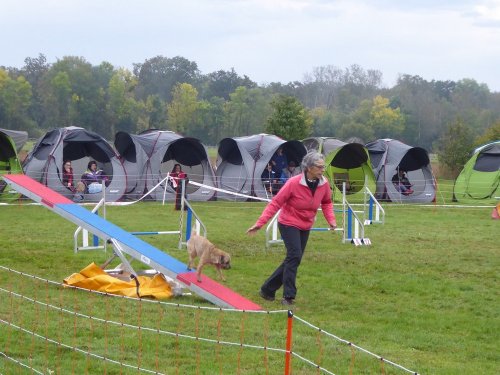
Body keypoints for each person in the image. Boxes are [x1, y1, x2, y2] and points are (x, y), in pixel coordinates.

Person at [246, 151, 337, 306]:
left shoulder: (324, 183)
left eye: (323, 167)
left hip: (306, 224)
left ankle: (267, 289)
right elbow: (276, 203)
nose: (323, 170)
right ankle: (288, 296)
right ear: (309, 167)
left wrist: (331, 220)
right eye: (320, 167)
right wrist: (260, 223)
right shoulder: (293, 183)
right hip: (288, 222)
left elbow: (327, 202)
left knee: (294, 259)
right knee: (294, 255)